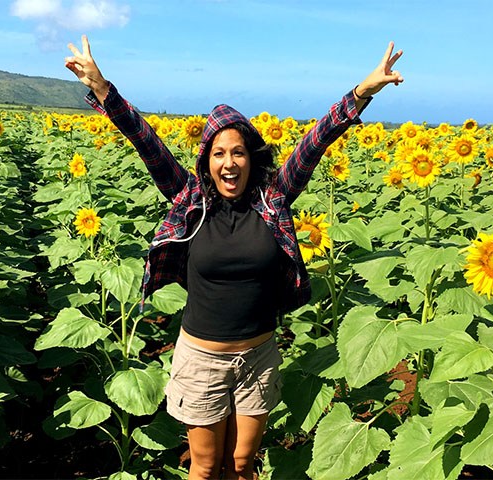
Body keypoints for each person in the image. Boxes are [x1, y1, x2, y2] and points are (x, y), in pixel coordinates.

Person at [65, 35, 403, 480]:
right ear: (207, 161)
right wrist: (104, 90)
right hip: (202, 359)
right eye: (219, 153)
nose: (229, 163)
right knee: (205, 467)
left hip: (258, 358)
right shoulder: (189, 199)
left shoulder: (274, 198)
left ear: (251, 157)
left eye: (238, 152)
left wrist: (363, 92)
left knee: (243, 465)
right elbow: (145, 141)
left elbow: (316, 142)